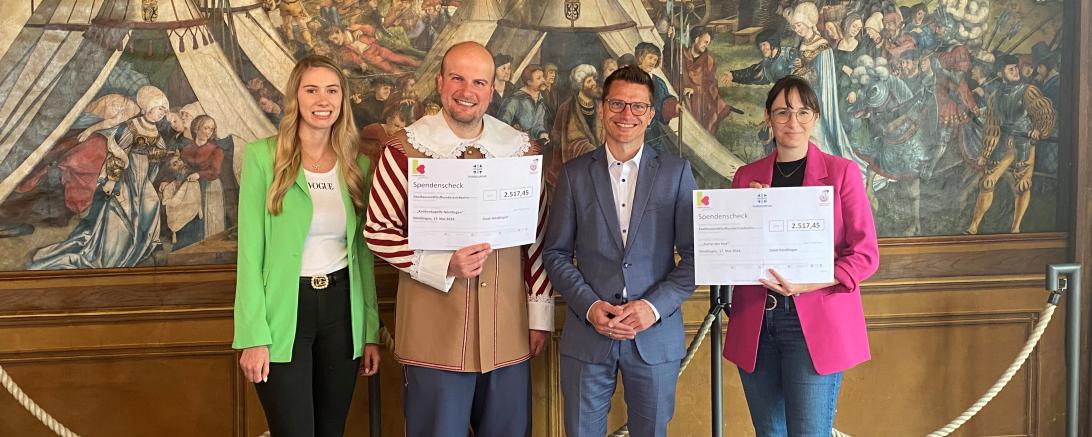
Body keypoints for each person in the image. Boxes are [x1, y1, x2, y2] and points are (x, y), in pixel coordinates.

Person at [364, 41, 553, 437]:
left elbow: (537, 242)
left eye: (479, 82)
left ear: (492, 89)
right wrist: (443, 264)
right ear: (440, 82)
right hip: (434, 332)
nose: (467, 91)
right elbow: (378, 230)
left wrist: (538, 318)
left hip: (508, 330)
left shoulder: (520, 152)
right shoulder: (402, 150)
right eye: (458, 78)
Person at [543, 65, 697, 437]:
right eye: (617, 103)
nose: (626, 114)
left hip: (654, 336)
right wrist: (591, 307)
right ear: (601, 106)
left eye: (637, 106)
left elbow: (696, 259)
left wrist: (651, 307)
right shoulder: (574, 173)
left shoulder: (676, 173)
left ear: (650, 113)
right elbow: (556, 253)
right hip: (588, 335)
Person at [233, 54, 381, 437]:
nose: (322, 100)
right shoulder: (263, 158)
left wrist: (369, 332)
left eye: (332, 91)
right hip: (284, 313)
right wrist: (252, 336)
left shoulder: (356, 165)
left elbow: (362, 257)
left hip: (341, 312)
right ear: (295, 97)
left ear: (343, 100)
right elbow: (250, 254)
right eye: (311, 90)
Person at [723, 76, 880, 437]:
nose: (792, 121)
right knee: (769, 434)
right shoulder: (746, 178)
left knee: (808, 432)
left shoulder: (842, 173)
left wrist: (814, 280)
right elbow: (735, 251)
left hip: (813, 324)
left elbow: (865, 254)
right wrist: (749, 215)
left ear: (815, 117)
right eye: (782, 112)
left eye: (802, 111)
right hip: (757, 324)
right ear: (768, 118)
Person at [680, 26, 730, 133]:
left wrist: (695, 90)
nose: (706, 45)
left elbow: (710, 84)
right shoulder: (681, 55)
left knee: (707, 108)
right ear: (696, 39)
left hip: (701, 96)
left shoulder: (709, 61)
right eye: (705, 42)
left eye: (708, 43)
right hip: (680, 92)